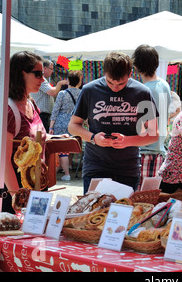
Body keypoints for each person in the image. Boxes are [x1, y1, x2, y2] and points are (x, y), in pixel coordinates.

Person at [68, 52, 159, 194]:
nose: (115, 87)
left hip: (128, 169)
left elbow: (154, 134)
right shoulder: (89, 90)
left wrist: (127, 141)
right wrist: (93, 138)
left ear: (130, 74)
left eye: (121, 83)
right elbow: (73, 126)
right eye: (110, 82)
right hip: (95, 166)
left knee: (123, 213)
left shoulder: (142, 92)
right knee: (93, 214)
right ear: (104, 73)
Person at [0, 51, 48, 214]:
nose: (43, 79)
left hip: (34, 186)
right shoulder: (7, 111)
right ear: (21, 74)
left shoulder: (32, 104)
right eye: (38, 74)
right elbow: (4, 162)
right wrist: (19, 199)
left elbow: (34, 138)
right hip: (13, 192)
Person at [132, 44, 172, 187]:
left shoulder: (142, 90)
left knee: (140, 201)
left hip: (145, 151)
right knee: (151, 200)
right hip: (159, 151)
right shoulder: (164, 85)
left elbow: (141, 125)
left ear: (136, 65)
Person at [49, 70, 82, 181]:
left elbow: (55, 110)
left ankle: (66, 173)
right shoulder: (82, 93)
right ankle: (70, 166)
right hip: (75, 123)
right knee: (70, 146)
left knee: (62, 149)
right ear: (79, 82)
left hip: (61, 122)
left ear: (68, 81)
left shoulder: (62, 94)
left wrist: (51, 127)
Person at [30, 59, 67, 130]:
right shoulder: (41, 79)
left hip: (44, 115)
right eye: (51, 69)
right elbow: (52, 92)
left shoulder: (43, 79)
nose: (52, 71)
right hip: (42, 115)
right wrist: (59, 84)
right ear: (45, 68)